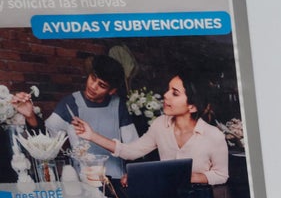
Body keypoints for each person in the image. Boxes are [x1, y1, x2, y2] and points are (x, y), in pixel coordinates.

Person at [71, 70, 229, 187]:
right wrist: (91, 135)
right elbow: (130, 151)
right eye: (168, 89)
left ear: (192, 106)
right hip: (165, 195)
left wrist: (187, 177)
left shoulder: (214, 136)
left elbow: (221, 175)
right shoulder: (160, 124)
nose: (166, 95)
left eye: (175, 93)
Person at [44, 54, 137, 180]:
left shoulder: (118, 105)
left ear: (112, 91)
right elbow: (48, 139)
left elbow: (133, 146)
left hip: (116, 179)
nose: (93, 87)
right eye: (93, 78)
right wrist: (30, 117)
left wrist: (130, 173)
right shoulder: (70, 103)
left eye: (102, 85)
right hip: (83, 179)